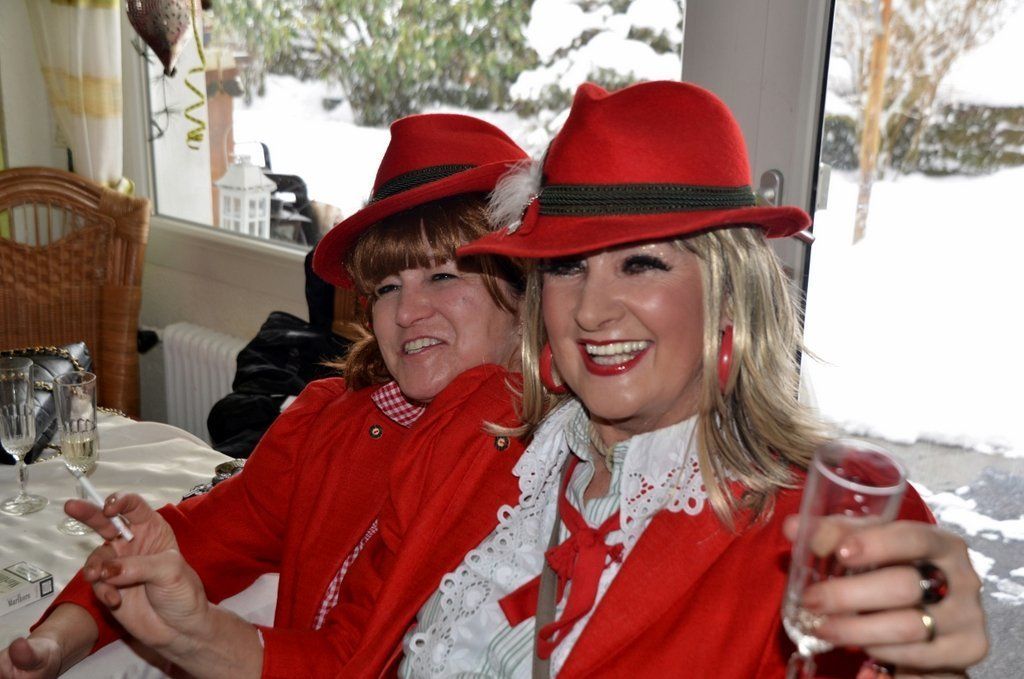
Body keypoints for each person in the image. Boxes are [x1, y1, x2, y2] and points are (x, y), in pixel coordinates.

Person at [392, 81, 989, 677]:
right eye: (568, 267)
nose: (590, 312)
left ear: (729, 294)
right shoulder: (497, 453)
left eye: (640, 264)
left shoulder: (831, 525)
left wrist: (930, 670)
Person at [0, 113, 531, 679]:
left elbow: (356, 659)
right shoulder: (331, 421)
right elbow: (195, 538)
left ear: (526, 291)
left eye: (443, 276)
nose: (405, 313)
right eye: (387, 287)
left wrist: (200, 636)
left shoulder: (536, 458)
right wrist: (57, 642)